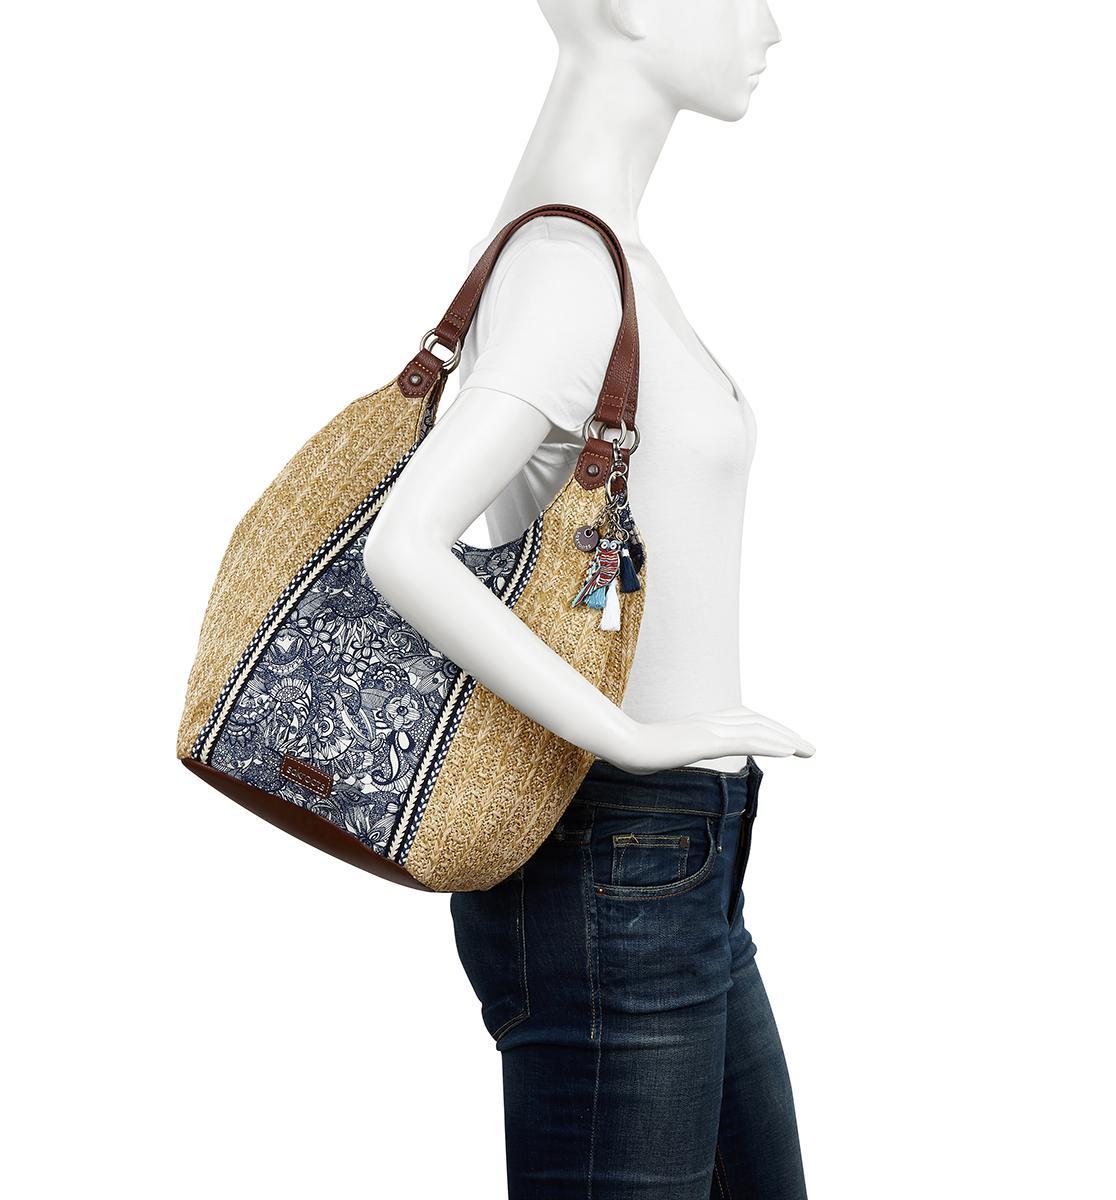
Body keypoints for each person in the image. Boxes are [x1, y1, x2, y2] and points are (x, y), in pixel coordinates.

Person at [363, 2, 812, 1195]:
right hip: (618, 855)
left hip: (680, 863)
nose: (770, 25)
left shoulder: (608, 255)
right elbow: (405, 545)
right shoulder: (569, 272)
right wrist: (630, 736)